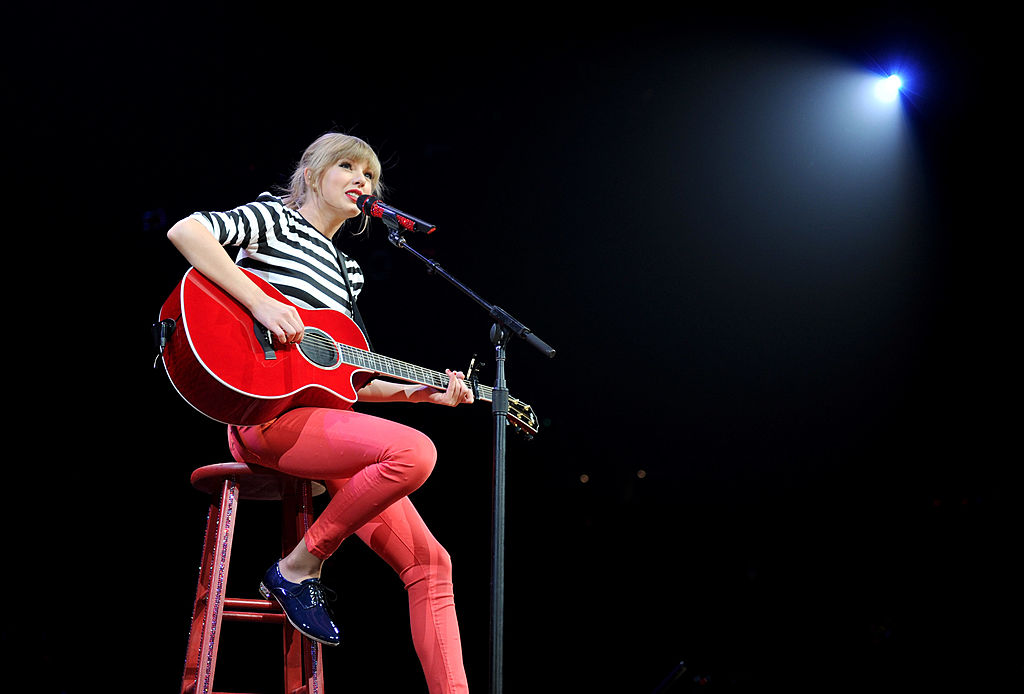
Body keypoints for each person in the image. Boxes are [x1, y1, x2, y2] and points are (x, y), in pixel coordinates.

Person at [167, 132, 473, 694]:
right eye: (348, 167)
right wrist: (262, 302)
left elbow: (343, 379)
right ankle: (295, 569)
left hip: (325, 425)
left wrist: (426, 394)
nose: (363, 181)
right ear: (311, 172)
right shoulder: (274, 219)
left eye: (371, 175)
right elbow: (187, 230)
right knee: (414, 451)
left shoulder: (347, 272)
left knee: (433, 565)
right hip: (266, 419)